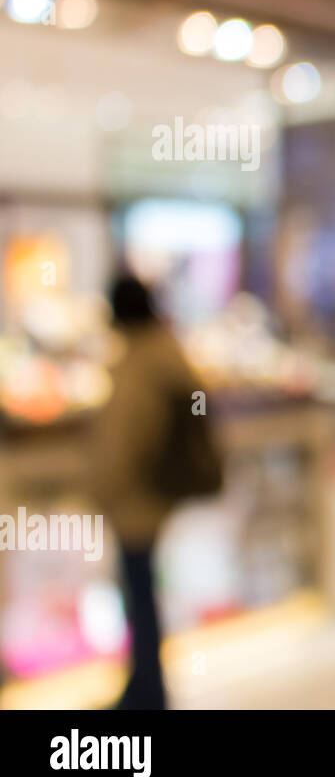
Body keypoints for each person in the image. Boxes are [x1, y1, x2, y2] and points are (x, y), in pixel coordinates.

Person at [88, 275, 208, 709]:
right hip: (155, 496)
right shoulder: (167, 350)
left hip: (139, 499)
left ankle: (146, 690)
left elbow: (125, 442)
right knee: (142, 593)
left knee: (138, 596)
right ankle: (145, 685)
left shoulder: (140, 362)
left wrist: (101, 490)